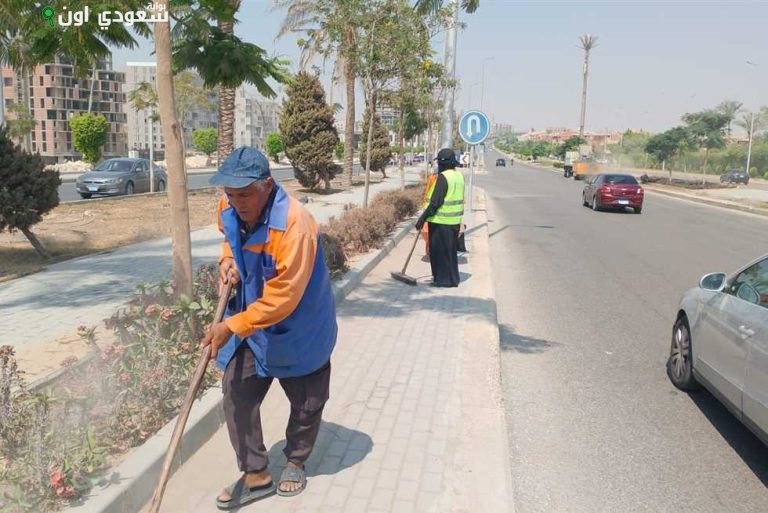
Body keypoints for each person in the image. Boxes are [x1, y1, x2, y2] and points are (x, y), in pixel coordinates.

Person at [201, 147, 337, 509]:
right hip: (254, 322)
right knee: (237, 391)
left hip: (300, 325)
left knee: (307, 402)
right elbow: (229, 237)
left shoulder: (295, 225)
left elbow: (284, 296)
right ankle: (256, 473)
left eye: (245, 194)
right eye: (230, 194)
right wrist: (227, 260)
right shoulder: (229, 206)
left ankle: (296, 461)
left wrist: (231, 326)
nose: (237, 202)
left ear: (268, 184)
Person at [415, 147, 465, 287]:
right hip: (454, 221)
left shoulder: (443, 177)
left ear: (443, 163)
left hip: (440, 221)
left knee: (439, 253)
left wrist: (422, 218)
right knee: (450, 252)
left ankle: (442, 280)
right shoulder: (459, 176)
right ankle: (452, 279)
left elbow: (435, 202)